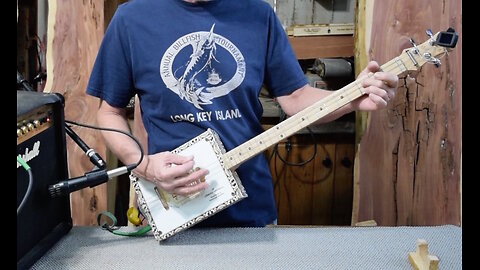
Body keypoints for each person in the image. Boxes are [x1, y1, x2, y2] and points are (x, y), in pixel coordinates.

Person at [86, 0, 398, 227]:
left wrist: (351, 97)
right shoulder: (131, 18)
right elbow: (109, 112)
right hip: (173, 206)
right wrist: (144, 166)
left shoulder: (258, 14)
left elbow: (295, 96)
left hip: (250, 207)